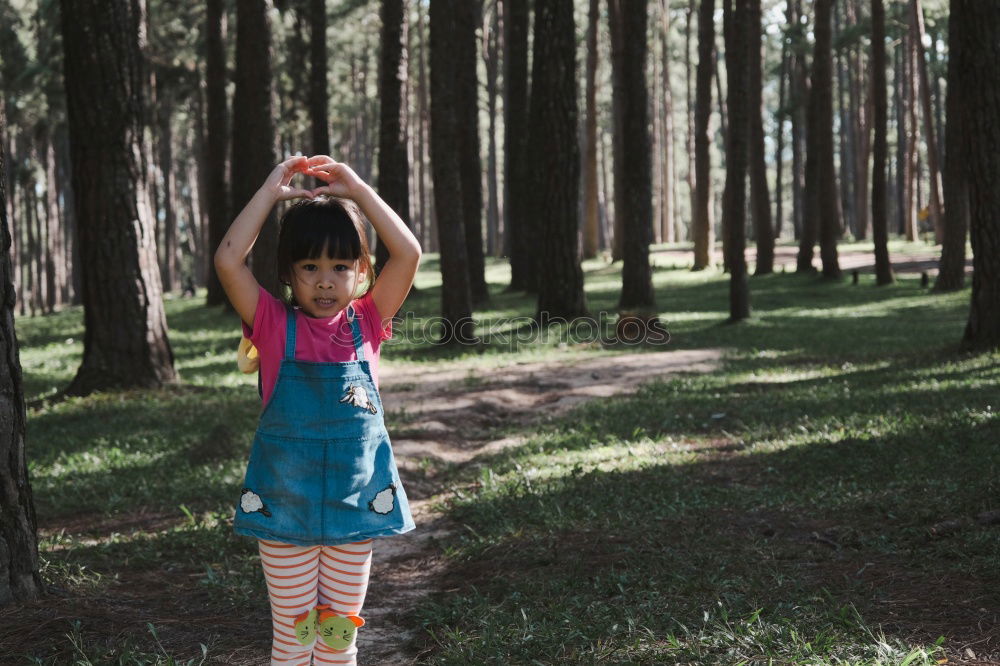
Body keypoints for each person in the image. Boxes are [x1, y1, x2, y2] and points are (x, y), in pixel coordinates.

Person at [214, 154, 420, 665]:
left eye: (340, 267)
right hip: (286, 510)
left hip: (355, 507)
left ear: (361, 272)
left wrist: (358, 193)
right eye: (310, 267)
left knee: (336, 637)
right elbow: (227, 260)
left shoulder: (368, 321)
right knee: (295, 636)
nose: (325, 282)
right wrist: (269, 191)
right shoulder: (269, 321)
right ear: (288, 272)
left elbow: (409, 252)